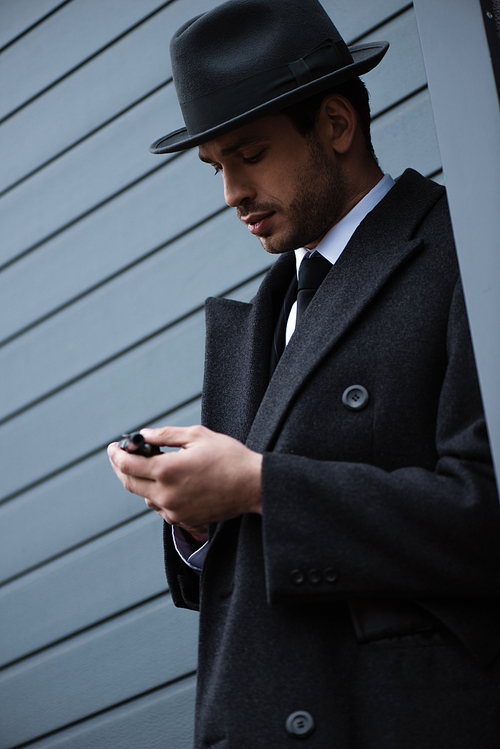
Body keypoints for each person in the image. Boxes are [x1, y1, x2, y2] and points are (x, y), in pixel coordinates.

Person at [108, 0, 500, 746]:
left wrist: (260, 486)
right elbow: (242, 585)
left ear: (335, 125)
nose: (230, 194)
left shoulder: (466, 246)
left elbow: (484, 509)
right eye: (216, 166)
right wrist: (196, 516)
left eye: (249, 155)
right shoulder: (257, 317)